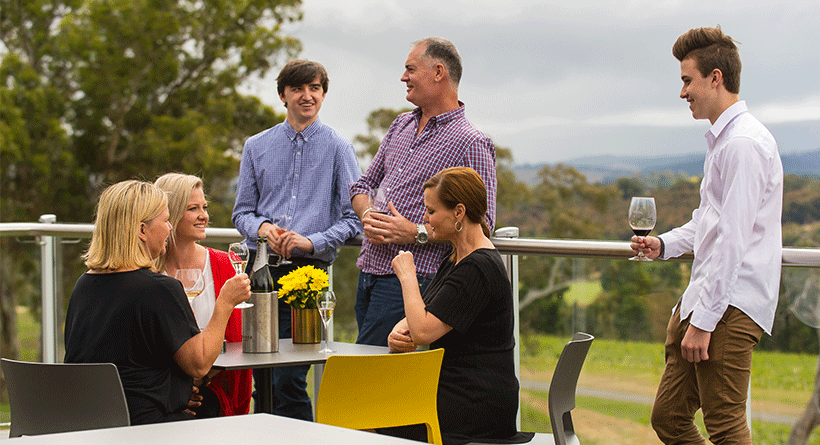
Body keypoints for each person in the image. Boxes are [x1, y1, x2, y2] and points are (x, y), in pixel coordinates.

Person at [631, 26, 783, 444]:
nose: (682, 93)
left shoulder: (743, 145)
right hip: (703, 301)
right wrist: (665, 245)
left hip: (728, 307)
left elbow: (734, 242)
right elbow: (709, 223)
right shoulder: (723, 141)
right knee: (669, 418)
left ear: (715, 78)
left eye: (686, 80)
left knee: (726, 426)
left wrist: (705, 322)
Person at [232, 59, 362, 420]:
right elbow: (241, 212)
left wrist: (311, 242)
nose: (307, 96)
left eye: (315, 88)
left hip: (307, 275)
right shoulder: (256, 146)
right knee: (263, 375)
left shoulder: (339, 148)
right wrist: (263, 229)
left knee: (289, 378)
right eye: (298, 89)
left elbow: (354, 219)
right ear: (282, 95)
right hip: (258, 270)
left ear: (323, 94)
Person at [350, 37, 497, 347]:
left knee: (377, 378)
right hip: (369, 271)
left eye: (410, 69)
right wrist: (367, 215)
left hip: (415, 280)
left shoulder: (470, 142)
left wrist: (414, 232)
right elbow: (362, 186)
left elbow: (484, 225)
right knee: (375, 372)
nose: (404, 77)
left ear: (438, 72)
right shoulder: (400, 125)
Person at [64, 180, 250, 425]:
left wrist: (179, 389)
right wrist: (225, 302)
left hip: (88, 424)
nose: (170, 228)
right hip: (148, 426)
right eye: (165, 221)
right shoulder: (158, 289)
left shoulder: (84, 286)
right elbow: (200, 363)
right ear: (143, 230)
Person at [387, 167, 520, 445]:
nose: (425, 219)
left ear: (459, 212)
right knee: (372, 406)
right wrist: (397, 333)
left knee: (371, 416)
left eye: (432, 211)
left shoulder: (478, 268)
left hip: (475, 403)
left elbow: (422, 332)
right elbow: (423, 315)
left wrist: (408, 277)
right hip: (457, 390)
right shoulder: (456, 259)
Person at [154, 173, 252, 417]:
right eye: (193, 208)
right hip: (161, 391)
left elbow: (236, 343)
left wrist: (197, 384)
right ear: (171, 214)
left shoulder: (223, 265)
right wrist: (177, 390)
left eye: (204, 207)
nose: (204, 216)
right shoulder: (148, 271)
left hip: (213, 391)